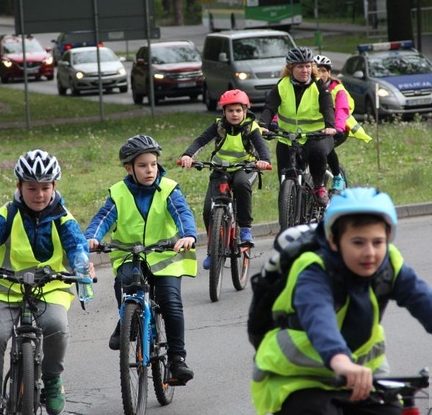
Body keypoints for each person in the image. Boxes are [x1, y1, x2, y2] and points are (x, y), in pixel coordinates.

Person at [251, 187, 432, 415]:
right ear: (333, 241)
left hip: (363, 379)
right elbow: (320, 322)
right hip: (298, 380)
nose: (370, 253)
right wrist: (343, 363)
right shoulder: (314, 270)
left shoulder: (390, 267)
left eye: (378, 242)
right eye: (358, 242)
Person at [0, 149, 91, 415]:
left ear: (54, 186)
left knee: (57, 326)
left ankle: (53, 379)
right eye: (31, 188)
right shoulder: (8, 214)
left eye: (45, 187)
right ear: (19, 186)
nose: (39, 194)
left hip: (50, 288)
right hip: (5, 289)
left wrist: (82, 264)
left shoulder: (62, 217)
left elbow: (76, 245)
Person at [85, 134, 198, 385]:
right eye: (142, 165)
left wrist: (188, 235)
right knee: (123, 285)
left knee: (170, 301)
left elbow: (182, 213)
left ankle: (177, 359)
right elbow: (102, 218)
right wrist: (91, 238)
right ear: (129, 168)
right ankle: (126, 321)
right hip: (131, 256)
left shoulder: (168, 189)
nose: (149, 170)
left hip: (165, 255)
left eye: (153, 164)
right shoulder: (119, 192)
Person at [180, 89, 271, 269]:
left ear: (245, 111)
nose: (234, 114)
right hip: (220, 169)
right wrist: (188, 155)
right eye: (230, 111)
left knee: (241, 184)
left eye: (238, 110)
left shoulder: (251, 127)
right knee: (208, 209)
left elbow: (262, 147)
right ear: (224, 112)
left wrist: (264, 161)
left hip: (246, 168)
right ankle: (212, 251)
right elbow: (201, 141)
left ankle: (245, 229)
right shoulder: (218, 126)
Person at [259, 46, 337, 205]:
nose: (305, 70)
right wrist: (263, 124)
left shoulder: (319, 85)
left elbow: (328, 107)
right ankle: (286, 218)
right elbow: (270, 107)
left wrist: (329, 125)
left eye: (308, 66)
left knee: (317, 151)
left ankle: (319, 186)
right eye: (300, 66)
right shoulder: (282, 85)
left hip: (317, 135)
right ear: (291, 68)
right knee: (285, 181)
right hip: (288, 138)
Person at [313, 54, 371, 194]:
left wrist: (336, 128)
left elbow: (342, 110)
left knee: (326, 147)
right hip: (316, 128)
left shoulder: (338, 89)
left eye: (323, 70)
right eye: (317, 71)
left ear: (329, 73)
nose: (320, 74)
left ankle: (338, 177)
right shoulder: (309, 88)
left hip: (339, 128)